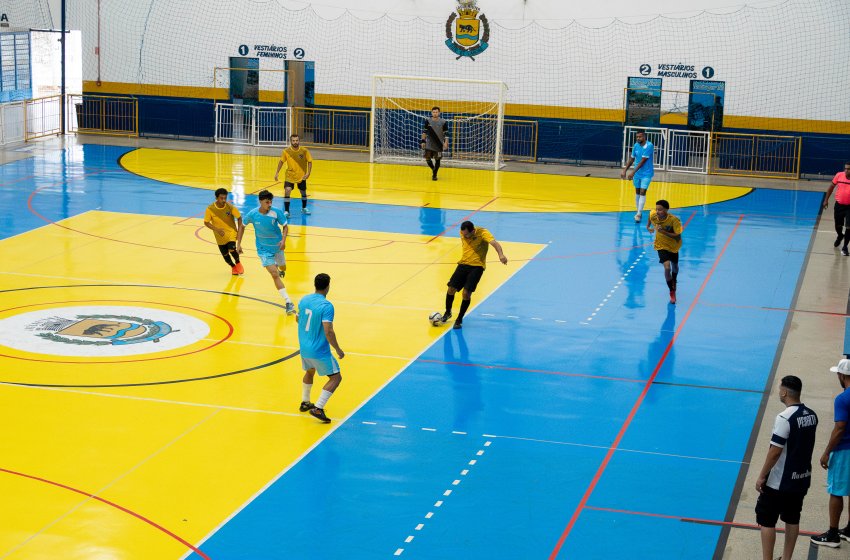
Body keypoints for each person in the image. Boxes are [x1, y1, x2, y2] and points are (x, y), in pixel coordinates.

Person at [755, 375, 818, 560]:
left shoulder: (784, 417)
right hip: (801, 478)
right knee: (792, 518)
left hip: (779, 482)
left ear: (784, 392)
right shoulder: (812, 415)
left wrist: (761, 476)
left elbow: (775, 451)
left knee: (766, 520)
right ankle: (787, 558)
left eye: (779, 387)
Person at [236, 190, 295, 314]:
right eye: (267, 202)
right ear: (260, 202)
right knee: (274, 274)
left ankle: (281, 268)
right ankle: (288, 301)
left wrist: (283, 240)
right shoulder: (253, 214)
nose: (269, 204)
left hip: (278, 247)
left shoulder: (276, 212)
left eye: (270, 202)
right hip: (263, 250)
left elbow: (285, 226)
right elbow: (242, 226)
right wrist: (239, 244)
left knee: (283, 268)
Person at [811, 358, 850, 547]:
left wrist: (827, 452)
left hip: (844, 451)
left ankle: (833, 534)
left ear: (842, 375)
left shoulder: (842, 399)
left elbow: (840, 427)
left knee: (836, 491)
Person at [441, 220, 507, 330]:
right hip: (463, 264)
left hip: (477, 266)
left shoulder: (483, 233)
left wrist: (501, 255)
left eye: (466, 234)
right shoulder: (462, 233)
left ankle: (459, 319)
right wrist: (464, 234)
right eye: (463, 233)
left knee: (466, 294)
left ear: (473, 231)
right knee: (451, 289)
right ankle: (448, 312)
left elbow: (495, 243)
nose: (464, 236)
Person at [297, 273, 344, 423]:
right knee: (336, 378)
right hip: (319, 350)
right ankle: (318, 407)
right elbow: (328, 330)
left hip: (304, 348)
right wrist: (337, 349)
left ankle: (305, 402)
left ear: (315, 284)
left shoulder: (304, 300)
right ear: (328, 286)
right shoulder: (326, 306)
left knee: (310, 371)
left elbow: (298, 318)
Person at [646, 199, 682, 304]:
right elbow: (650, 214)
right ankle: (672, 292)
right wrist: (648, 226)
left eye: (660, 210)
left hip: (673, 246)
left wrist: (663, 232)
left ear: (666, 210)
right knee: (667, 267)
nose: (657, 211)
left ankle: (674, 279)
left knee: (675, 266)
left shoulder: (674, 220)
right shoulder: (654, 215)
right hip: (660, 245)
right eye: (657, 209)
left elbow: (677, 236)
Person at [204, 188, 244, 275]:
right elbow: (206, 223)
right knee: (225, 256)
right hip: (219, 236)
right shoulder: (210, 209)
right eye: (221, 198)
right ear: (216, 198)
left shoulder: (230, 207)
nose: (223, 200)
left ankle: (238, 262)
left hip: (231, 232)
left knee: (232, 249)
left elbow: (239, 217)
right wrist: (217, 229)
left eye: (225, 198)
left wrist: (238, 231)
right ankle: (233, 267)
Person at [273, 134, 313, 218]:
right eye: (293, 141)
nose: (295, 142)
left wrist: (308, 173)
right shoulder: (286, 151)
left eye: (296, 140)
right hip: (290, 175)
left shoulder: (304, 151)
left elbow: (310, 161)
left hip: (301, 176)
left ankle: (304, 208)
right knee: (287, 190)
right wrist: (277, 173)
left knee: (303, 192)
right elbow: (281, 162)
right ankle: (287, 211)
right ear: (291, 141)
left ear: (299, 141)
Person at [620, 130, 655, 223]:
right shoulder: (636, 145)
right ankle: (638, 210)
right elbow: (632, 159)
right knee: (638, 192)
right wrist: (624, 170)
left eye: (640, 137)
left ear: (644, 137)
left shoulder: (649, 146)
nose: (638, 138)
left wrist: (632, 173)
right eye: (637, 137)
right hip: (637, 173)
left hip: (646, 173)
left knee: (643, 192)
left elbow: (643, 161)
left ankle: (639, 214)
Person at [822, 162, 850, 256]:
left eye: (849, 169)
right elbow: (831, 188)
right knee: (838, 226)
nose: (846, 170)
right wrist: (826, 200)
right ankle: (840, 236)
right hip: (839, 206)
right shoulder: (839, 175)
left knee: (849, 227)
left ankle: (845, 247)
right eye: (845, 168)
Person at [420, 106, 449, 181]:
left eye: (436, 112)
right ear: (431, 113)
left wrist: (446, 143)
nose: (435, 113)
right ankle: (434, 169)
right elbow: (424, 132)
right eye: (433, 112)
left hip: (439, 144)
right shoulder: (428, 121)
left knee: (438, 160)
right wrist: (423, 141)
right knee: (427, 159)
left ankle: (434, 175)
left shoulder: (443, 121)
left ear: (439, 113)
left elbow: (446, 134)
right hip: (429, 144)